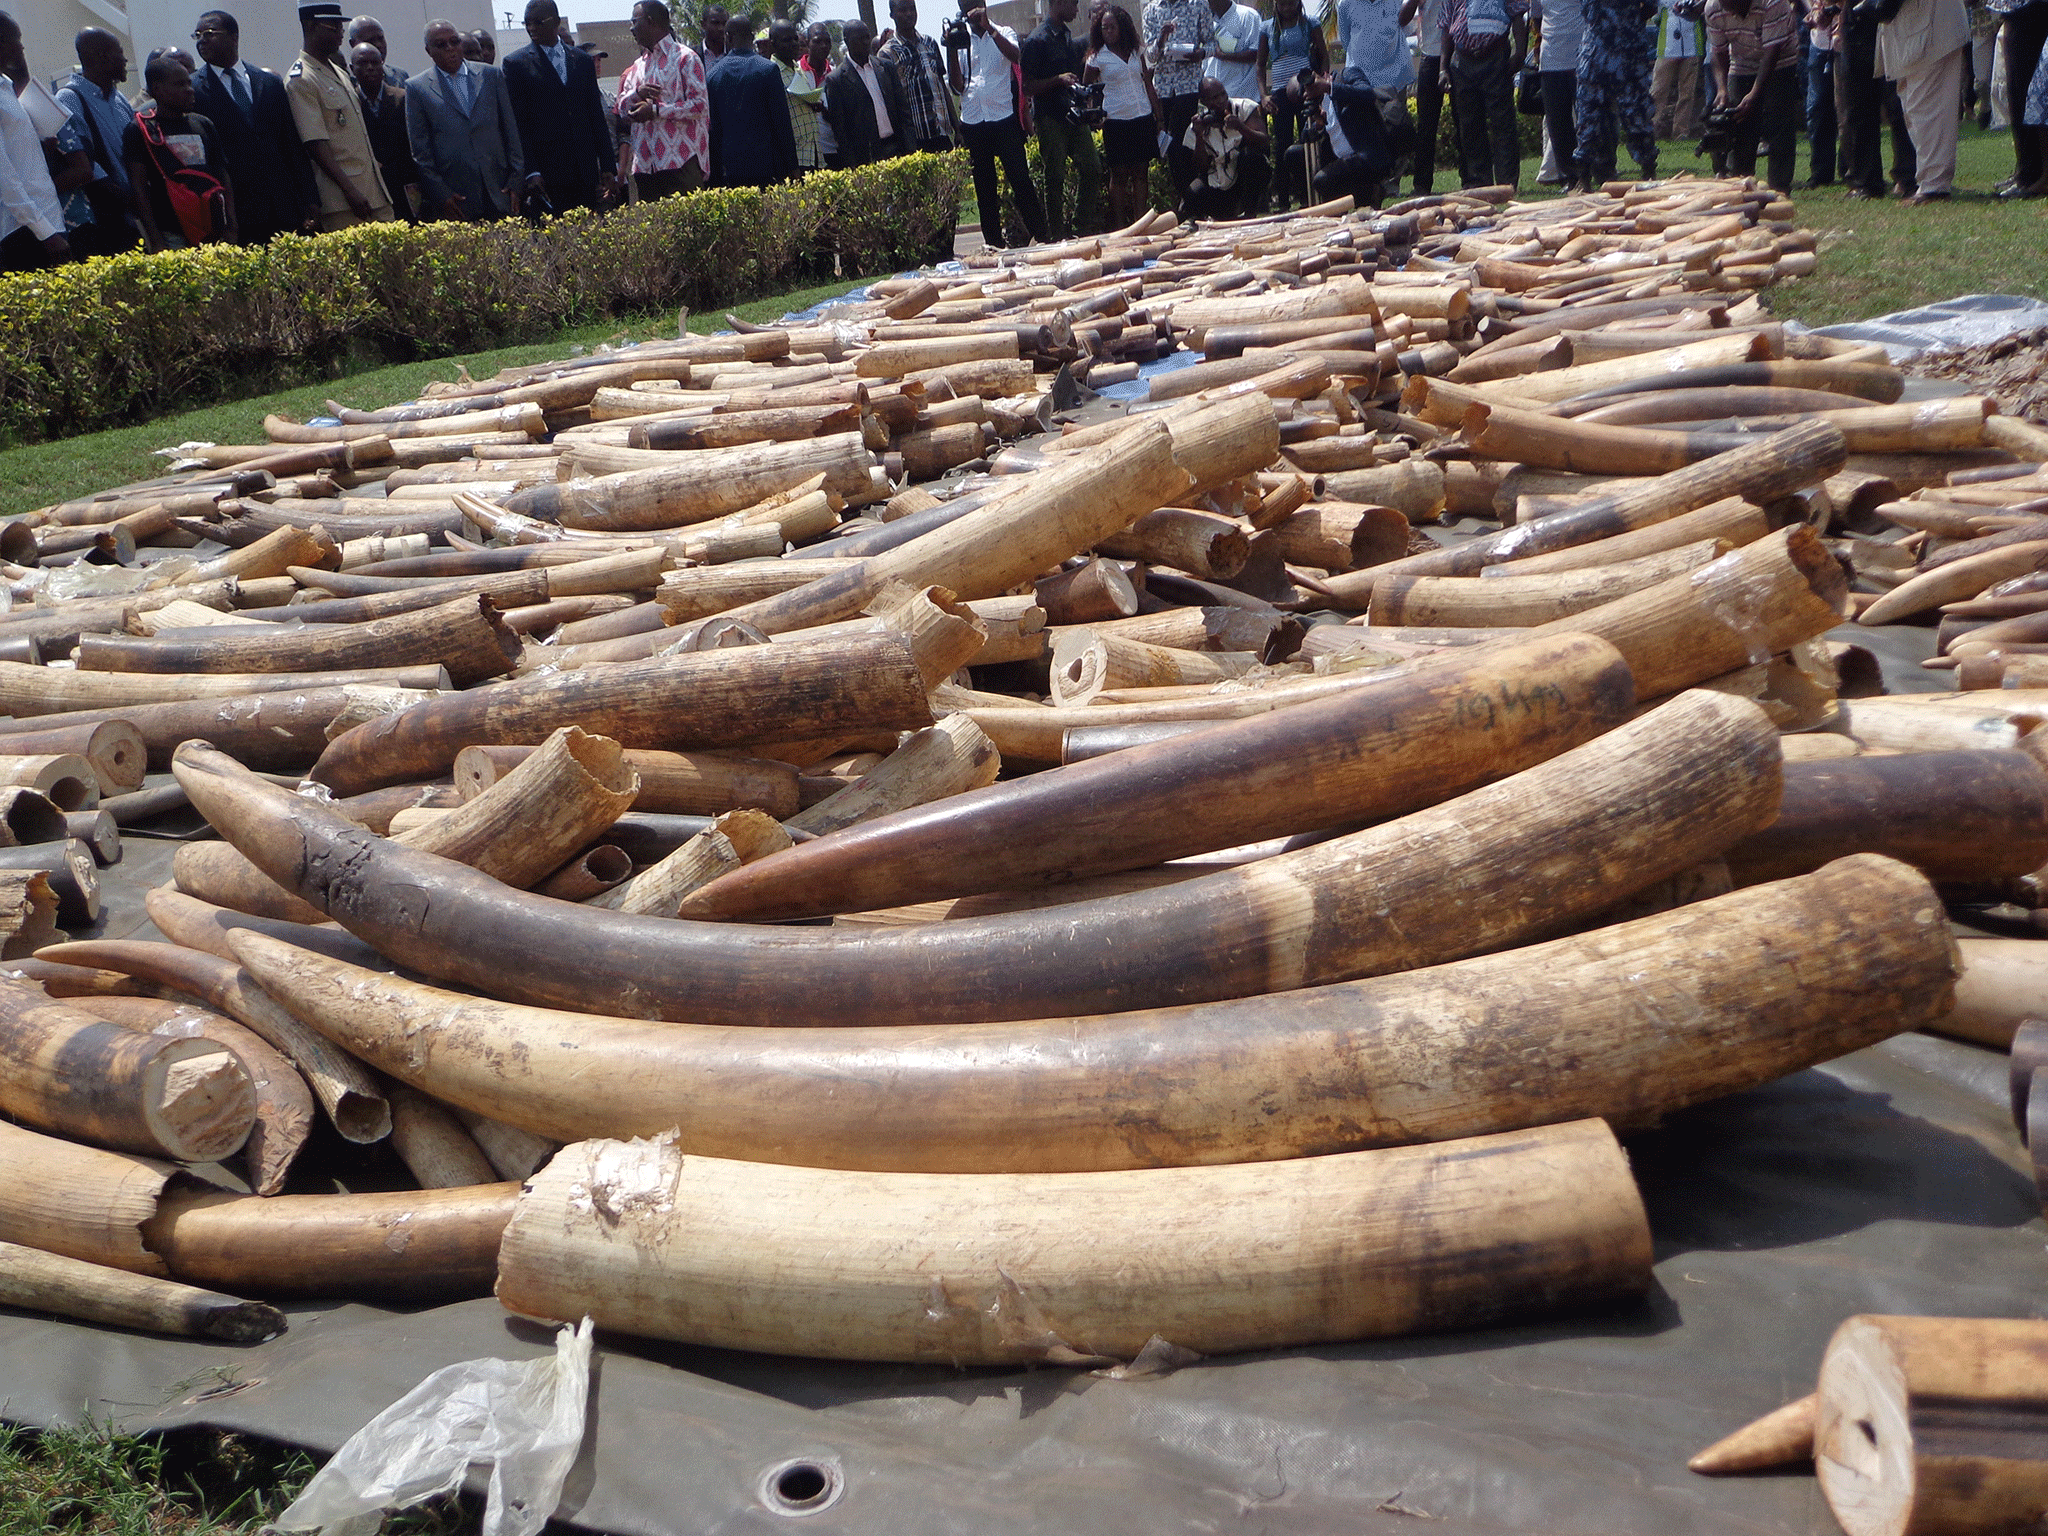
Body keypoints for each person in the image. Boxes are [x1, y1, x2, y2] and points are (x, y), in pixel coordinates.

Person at [191, 9, 318, 244]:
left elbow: (291, 143)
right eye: (197, 35)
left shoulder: (268, 82)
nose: (202, 40)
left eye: (209, 33)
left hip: (283, 204)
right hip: (238, 211)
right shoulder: (193, 90)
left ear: (233, 36)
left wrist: (310, 198)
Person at [408, 18, 530, 220]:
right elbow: (421, 152)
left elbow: (511, 131)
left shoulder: (491, 76)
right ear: (428, 51)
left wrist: (516, 180)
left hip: (500, 189)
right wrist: (442, 194)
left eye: (455, 41)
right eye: (441, 45)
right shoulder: (417, 88)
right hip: (457, 198)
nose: (450, 49)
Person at [949, 1, 1050, 242]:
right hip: (974, 121)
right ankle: (992, 245)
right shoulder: (960, 39)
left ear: (983, 4)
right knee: (984, 189)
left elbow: (1017, 57)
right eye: (965, 4)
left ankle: (1043, 236)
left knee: (1020, 181)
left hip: (1003, 119)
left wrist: (990, 29)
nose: (971, 9)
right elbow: (957, 85)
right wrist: (951, 48)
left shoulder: (1003, 31)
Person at [504, 0, 618, 212]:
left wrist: (608, 166)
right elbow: (520, 124)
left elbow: (595, 115)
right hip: (547, 176)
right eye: (527, 23)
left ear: (556, 22)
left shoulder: (582, 60)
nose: (531, 28)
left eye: (538, 22)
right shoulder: (516, 64)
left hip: (586, 171)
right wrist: (531, 171)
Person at [287, 0, 393, 228]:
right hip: (344, 200)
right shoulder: (302, 79)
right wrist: (350, 190)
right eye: (333, 27)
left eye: (341, 27)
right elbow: (315, 143)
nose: (340, 33)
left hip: (374, 191)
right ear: (310, 26)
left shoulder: (338, 71)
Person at [121, 56, 235, 250]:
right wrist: (156, 239)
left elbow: (222, 176)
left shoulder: (203, 124)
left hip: (213, 228)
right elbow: (139, 187)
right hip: (172, 234)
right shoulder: (140, 130)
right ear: (157, 90)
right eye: (180, 85)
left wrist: (231, 225)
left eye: (189, 83)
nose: (190, 90)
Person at [56, 26, 140, 254]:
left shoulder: (119, 99)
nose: (125, 60)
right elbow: (86, 164)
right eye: (120, 52)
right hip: (105, 221)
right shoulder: (69, 99)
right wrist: (126, 199)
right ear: (103, 56)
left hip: (135, 217)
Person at [1024, 0, 1102, 237]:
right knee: (1054, 177)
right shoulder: (1036, 40)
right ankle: (1055, 236)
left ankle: (1080, 230)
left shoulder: (1067, 36)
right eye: (1074, 4)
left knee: (1093, 168)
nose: (1077, 10)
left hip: (1074, 117)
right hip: (1050, 119)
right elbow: (1027, 87)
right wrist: (1057, 80)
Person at [0, 10, 69, 270]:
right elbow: (3, 176)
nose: (21, 46)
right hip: (25, 229)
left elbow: (16, 155)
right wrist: (43, 232)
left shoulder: (6, 87)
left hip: (48, 219)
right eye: (15, 39)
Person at [1878, 0, 1969, 198]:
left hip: (1932, 31)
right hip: (1914, 32)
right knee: (1915, 109)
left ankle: (1934, 186)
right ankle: (1930, 182)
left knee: (1929, 109)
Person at [618, 0, 709, 197]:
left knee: (687, 225)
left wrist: (656, 111)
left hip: (679, 161)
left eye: (635, 21)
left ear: (651, 21)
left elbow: (700, 106)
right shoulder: (638, 66)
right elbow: (622, 108)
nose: (631, 28)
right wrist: (637, 95)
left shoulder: (685, 58)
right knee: (654, 227)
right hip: (644, 165)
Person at [1706, 0, 1800, 188]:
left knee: (1778, 125)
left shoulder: (1773, 3)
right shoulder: (1712, 8)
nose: (1731, 11)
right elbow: (1718, 51)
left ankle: (1779, 187)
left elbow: (1772, 51)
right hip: (1741, 64)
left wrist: (1754, 93)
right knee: (1738, 126)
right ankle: (1740, 183)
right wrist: (1722, 89)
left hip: (1780, 63)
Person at [1088, 2, 1162, 225]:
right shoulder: (1097, 57)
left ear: (1122, 27)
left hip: (1141, 116)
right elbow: (1087, 88)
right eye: (1104, 27)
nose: (1108, 31)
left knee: (1141, 172)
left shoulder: (1136, 51)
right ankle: (1121, 226)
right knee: (1119, 175)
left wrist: (1159, 119)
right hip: (1116, 121)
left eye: (1112, 27)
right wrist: (1094, 116)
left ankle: (1141, 222)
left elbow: (1148, 84)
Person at [1441, 0, 1528, 188]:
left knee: (1502, 123)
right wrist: (1443, 68)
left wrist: (1520, 53)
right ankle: (1479, 182)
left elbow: (1518, 15)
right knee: (1470, 126)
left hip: (1495, 56)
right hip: (1463, 61)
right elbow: (1447, 25)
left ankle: (1507, 183)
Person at [707, 15, 799, 185]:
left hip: (730, 168)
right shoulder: (768, 69)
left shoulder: (713, 74)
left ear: (728, 37)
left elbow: (714, 128)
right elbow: (782, 122)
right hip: (768, 167)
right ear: (751, 37)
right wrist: (793, 166)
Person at [1576, 0, 1659, 185]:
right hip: (1598, 52)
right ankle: (1585, 177)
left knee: (1636, 113)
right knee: (1590, 117)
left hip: (1626, 51)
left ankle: (1648, 169)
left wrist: (1626, 22)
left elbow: (1651, 7)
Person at [1143, 0, 1215, 212]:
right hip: (1164, 89)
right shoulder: (1152, 9)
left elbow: (1212, 45)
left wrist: (1199, 54)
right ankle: (1188, 198)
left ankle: (1193, 200)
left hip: (1189, 86)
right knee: (1171, 147)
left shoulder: (1197, 5)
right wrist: (1161, 38)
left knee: (1185, 144)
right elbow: (1150, 56)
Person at [1282, 68, 1395, 201]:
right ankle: (1309, 205)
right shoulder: (1314, 101)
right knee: (1293, 154)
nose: (1307, 94)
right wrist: (1318, 124)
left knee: (1322, 181)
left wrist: (1329, 88)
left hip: (1365, 156)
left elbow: (1368, 94)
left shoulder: (1346, 75)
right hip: (1338, 158)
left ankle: (1369, 192)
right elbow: (1305, 137)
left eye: (1306, 89)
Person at [1836, 0, 1915, 191]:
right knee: (1859, 107)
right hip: (1857, 25)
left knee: (1898, 105)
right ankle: (1867, 180)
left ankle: (1907, 176)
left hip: (1890, 20)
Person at [1262, 0, 1328, 202]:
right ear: (1276, 5)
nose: (1287, 8)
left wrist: (1321, 82)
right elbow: (1259, 66)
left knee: (1306, 139)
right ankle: (1282, 198)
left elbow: (1324, 56)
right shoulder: (1266, 28)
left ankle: (1307, 194)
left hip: (1305, 88)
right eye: (1283, 5)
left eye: (1291, 3)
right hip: (1280, 92)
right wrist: (1264, 95)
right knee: (1282, 144)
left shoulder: (1310, 23)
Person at [1179, 71, 1269, 213]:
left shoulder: (1244, 107)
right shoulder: (1195, 127)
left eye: (1223, 94)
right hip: (1216, 183)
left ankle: (1250, 212)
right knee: (1194, 192)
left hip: (1241, 179)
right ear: (1204, 102)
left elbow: (1264, 140)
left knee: (1253, 160)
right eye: (1215, 98)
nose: (1221, 100)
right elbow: (1199, 167)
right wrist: (1199, 137)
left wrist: (1241, 127)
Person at [351, 40, 420, 217]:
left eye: (375, 63)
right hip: (370, 188)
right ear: (352, 69)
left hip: (405, 184)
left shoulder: (403, 98)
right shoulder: (350, 103)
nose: (370, 68)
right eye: (363, 64)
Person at [879, 0, 958, 153]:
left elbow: (942, 85)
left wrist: (957, 129)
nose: (909, 14)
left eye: (912, 8)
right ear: (892, 15)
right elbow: (889, 103)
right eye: (903, 10)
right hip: (914, 140)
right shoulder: (887, 53)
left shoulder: (930, 43)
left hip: (941, 133)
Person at [826, 19, 907, 165]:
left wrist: (909, 147)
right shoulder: (836, 80)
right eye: (859, 39)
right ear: (847, 41)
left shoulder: (886, 67)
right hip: (866, 157)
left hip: (897, 148)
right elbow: (840, 130)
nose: (865, 42)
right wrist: (853, 165)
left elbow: (903, 110)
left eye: (867, 37)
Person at [1994, 0, 2048, 194]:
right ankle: (2027, 169)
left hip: (2031, 10)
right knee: (2020, 93)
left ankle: (2032, 172)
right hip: (2018, 11)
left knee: (2030, 92)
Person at [1533, 0, 1585, 185]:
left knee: (1588, 120)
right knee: (1558, 123)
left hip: (1581, 57)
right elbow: (1536, 18)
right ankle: (1569, 176)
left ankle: (1593, 170)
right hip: (1551, 58)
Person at [770, 20, 826, 171]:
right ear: (773, 44)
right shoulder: (770, 73)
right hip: (794, 159)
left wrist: (814, 103)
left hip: (814, 154)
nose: (794, 44)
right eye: (786, 40)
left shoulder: (798, 69)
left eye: (795, 38)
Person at [1805, 0, 1840, 182]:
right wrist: (1815, 11)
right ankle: (1820, 173)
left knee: (1847, 110)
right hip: (1819, 43)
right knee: (1817, 109)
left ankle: (1850, 169)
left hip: (1847, 39)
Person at [799, 24, 839, 166]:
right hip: (804, 153)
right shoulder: (795, 72)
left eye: (827, 41)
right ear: (807, 42)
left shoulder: (836, 75)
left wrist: (825, 111)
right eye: (817, 41)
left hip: (832, 150)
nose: (823, 46)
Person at [347, 16, 408, 86]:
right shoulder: (345, 80)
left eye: (381, 39)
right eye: (370, 41)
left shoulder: (400, 76)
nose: (378, 45)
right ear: (353, 44)